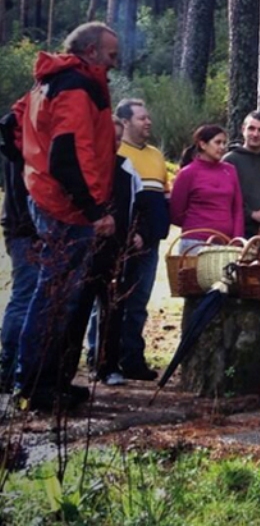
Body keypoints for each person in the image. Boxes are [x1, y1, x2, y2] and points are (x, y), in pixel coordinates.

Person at [12, 22, 119, 410]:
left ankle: (49, 380)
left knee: (59, 296)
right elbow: (67, 154)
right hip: (67, 209)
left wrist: (31, 173)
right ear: (90, 52)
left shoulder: (47, 83)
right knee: (54, 297)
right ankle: (36, 386)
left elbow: (10, 129)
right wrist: (92, 211)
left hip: (52, 201)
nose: (114, 63)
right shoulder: (74, 85)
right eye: (110, 56)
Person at [110, 98, 170, 379]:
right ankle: (104, 360)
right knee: (113, 301)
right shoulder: (117, 152)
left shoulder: (156, 155)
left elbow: (160, 196)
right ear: (124, 122)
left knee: (139, 303)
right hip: (124, 240)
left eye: (148, 117)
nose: (148, 122)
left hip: (151, 240)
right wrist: (131, 232)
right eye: (141, 118)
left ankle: (132, 359)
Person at [83, 119, 143, 386]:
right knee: (78, 308)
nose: (114, 144)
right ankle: (68, 367)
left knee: (113, 308)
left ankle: (108, 366)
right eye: (110, 138)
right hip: (83, 250)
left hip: (115, 251)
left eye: (119, 139)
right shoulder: (82, 168)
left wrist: (132, 235)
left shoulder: (126, 171)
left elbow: (133, 207)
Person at [0, 108, 40, 392]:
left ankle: (22, 368)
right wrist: (33, 230)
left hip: (31, 231)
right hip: (26, 232)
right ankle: (8, 367)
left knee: (31, 298)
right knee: (24, 297)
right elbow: (21, 194)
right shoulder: (21, 150)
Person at [169, 125, 245, 253]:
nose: (222, 147)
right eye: (217, 142)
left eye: (224, 143)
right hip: (195, 243)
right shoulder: (188, 173)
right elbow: (176, 212)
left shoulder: (230, 170)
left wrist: (236, 240)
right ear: (203, 144)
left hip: (226, 242)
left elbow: (237, 209)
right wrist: (197, 226)